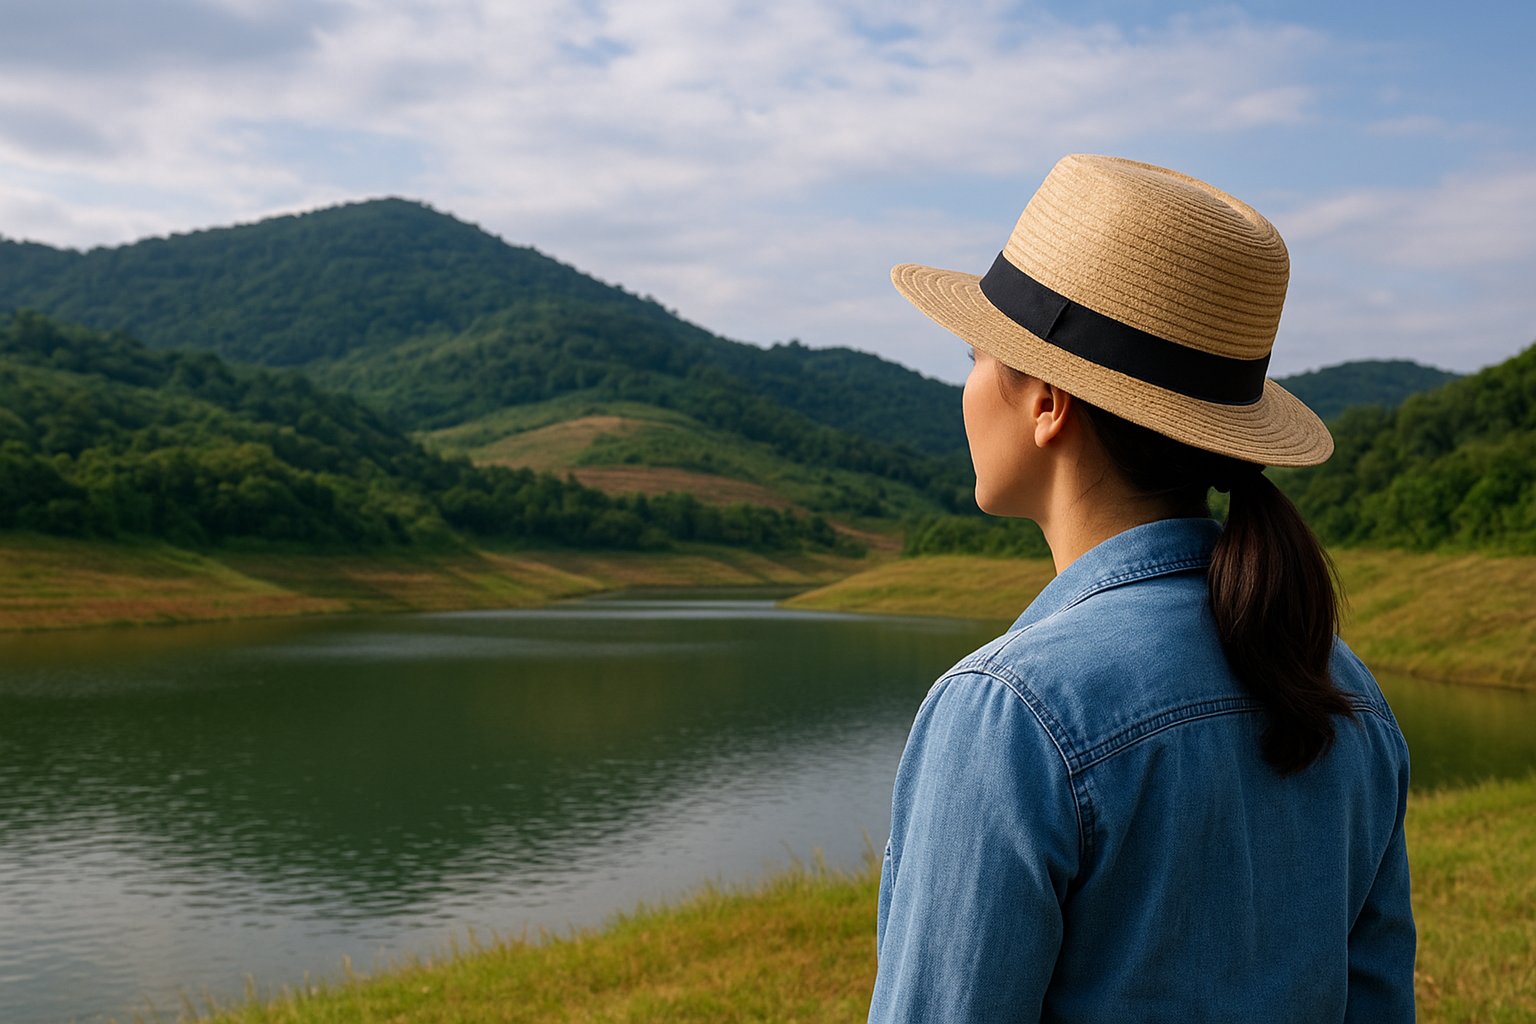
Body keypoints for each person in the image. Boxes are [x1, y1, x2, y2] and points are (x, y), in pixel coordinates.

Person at [868, 155, 1415, 1022]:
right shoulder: (1347, 690)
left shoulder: (1008, 711)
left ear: (1047, 400)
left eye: (974, 354)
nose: (965, 385)